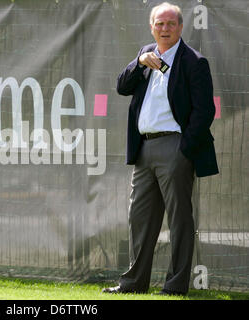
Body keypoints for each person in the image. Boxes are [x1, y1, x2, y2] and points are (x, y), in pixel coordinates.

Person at [102, 2, 218, 295]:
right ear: (151, 27)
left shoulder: (194, 61)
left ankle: (174, 287)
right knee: (139, 217)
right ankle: (133, 283)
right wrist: (139, 62)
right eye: (159, 24)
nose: (164, 29)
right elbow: (121, 87)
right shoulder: (145, 54)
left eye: (170, 24)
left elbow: (204, 112)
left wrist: (184, 148)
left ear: (180, 27)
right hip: (144, 149)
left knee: (179, 220)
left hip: (175, 146)